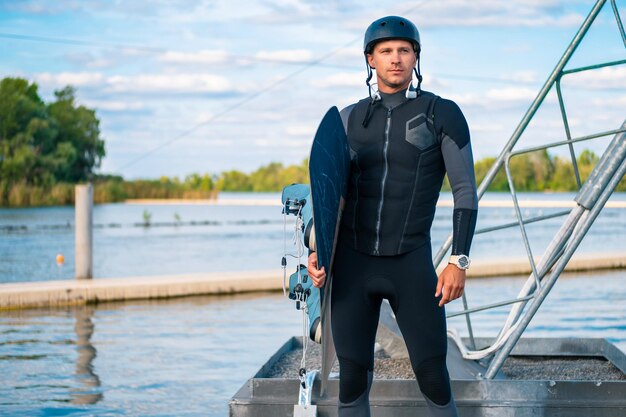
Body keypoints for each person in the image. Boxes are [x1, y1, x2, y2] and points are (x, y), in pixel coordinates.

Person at [307, 16, 478, 417]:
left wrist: (459, 261)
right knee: (351, 379)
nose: (395, 59)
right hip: (352, 265)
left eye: (404, 50)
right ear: (370, 59)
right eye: (385, 51)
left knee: (433, 375)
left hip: (411, 264)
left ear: (416, 57)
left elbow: (465, 192)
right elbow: (330, 196)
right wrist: (319, 254)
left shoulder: (441, 114)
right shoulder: (346, 120)